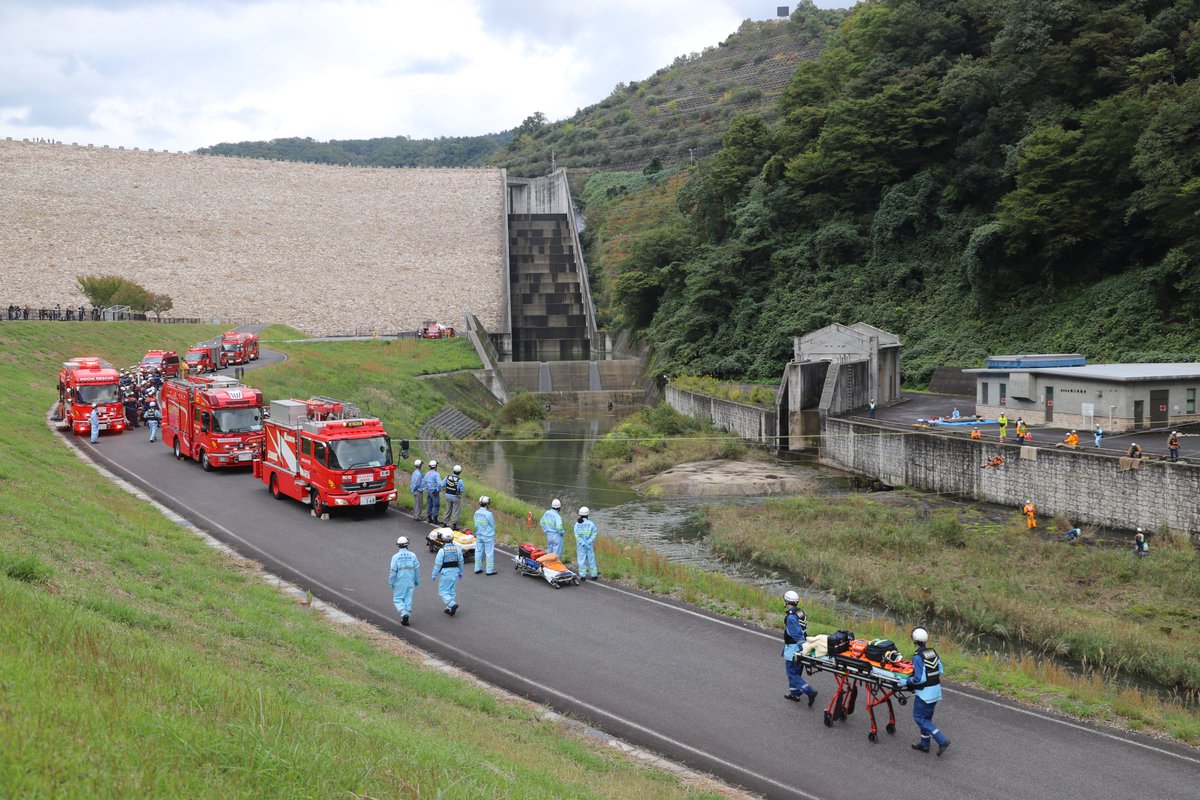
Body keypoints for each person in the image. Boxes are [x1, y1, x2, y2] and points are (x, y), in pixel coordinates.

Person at [899, 627, 949, 756]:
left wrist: (906, 681)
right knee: (926, 718)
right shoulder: (932, 652)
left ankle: (942, 740)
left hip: (924, 693)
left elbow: (919, 679)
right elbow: (941, 670)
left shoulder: (917, 657)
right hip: (936, 691)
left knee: (919, 718)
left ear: (914, 640)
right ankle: (925, 744)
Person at [781, 590, 818, 706]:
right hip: (801, 647)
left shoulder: (791, 617)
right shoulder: (800, 612)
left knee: (792, 673)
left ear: (787, 601)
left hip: (794, 648)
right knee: (797, 672)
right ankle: (795, 693)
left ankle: (809, 691)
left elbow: (796, 635)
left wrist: (801, 648)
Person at [389, 536, 420, 626]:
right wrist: (417, 580)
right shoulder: (413, 555)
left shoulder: (395, 557)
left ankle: (404, 614)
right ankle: (407, 615)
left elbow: (393, 571)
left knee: (398, 599)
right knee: (408, 598)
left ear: (398, 545)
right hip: (410, 580)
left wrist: (391, 582)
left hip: (400, 580)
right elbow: (417, 569)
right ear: (407, 544)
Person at [432, 530, 465, 615]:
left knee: (443, 591)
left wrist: (434, 575)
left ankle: (451, 604)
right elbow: (461, 562)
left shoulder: (442, 551)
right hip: (455, 573)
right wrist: (461, 572)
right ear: (452, 539)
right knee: (451, 591)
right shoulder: (457, 549)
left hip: (446, 573)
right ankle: (449, 608)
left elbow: (438, 564)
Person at [472, 496, 497, 575]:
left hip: (479, 535)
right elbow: (493, 525)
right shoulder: (489, 514)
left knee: (478, 551)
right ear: (487, 504)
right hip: (488, 536)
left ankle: (477, 569)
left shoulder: (476, 512)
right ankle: (489, 571)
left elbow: (476, 524)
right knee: (489, 553)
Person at [574, 506, 599, 580]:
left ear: (580, 514)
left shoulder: (577, 524)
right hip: (589, 546)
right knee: (591, 559)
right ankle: (594, 575)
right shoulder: (591, 524)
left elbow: (577, 536)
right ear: (588, 514)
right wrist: (588, 542)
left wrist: (583, 543)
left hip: (581, 546)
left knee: (581, 560)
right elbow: (594, 534)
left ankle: (582, 576)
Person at [423, 460, 442, 524]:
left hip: (428, 490)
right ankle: (435, 519)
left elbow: (424, 481)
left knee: (429, 504)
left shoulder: (427, 473)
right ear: (435, 466)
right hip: (434, 490)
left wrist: (427, 487)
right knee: (436, 505)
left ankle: (429, 518)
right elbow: (439, 483)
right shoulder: (436, 474)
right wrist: (438, 490)